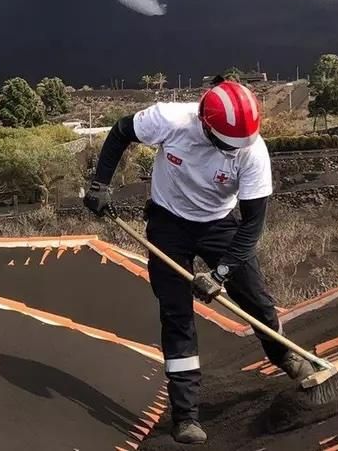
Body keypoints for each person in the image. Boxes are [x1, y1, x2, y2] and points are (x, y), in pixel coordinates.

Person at [83, 77, 314, 445]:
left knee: (255, 299)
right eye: (225, 142)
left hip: (219, 226)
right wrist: (100, 184)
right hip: (168, 224)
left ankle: (287, 358)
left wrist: (220, 274)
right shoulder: (170, 120)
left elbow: (252, 227)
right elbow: (120, 131)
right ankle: (186, 416)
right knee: (176, 315)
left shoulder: (252, 152)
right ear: (206, 125)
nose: (232, 149)